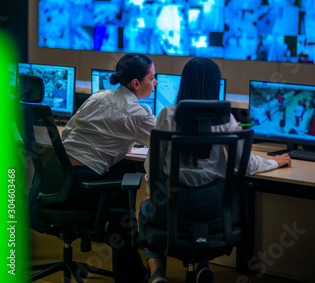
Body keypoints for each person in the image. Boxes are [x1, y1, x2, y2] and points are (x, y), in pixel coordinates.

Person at [139, 57, 291, 283]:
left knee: (144, 209)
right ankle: (201, 264)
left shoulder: (167, 115)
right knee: (202, 220)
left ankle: (157, 272)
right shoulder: (225, 119)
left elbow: (153, 165)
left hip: (172, 205)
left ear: (185, 82)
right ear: (214, 84)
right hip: (213, 209)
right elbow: (247, 165)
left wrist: (153, 191)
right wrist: (276, 161)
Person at [61, 52, 158, 283]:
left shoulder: (98, 96)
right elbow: (165, 142)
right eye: (152, 78)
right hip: (82, 187)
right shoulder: (138, 114)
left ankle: (131, 271)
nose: (155, 83)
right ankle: (130, 274)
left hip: (58, 178)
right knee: (122, 203)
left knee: (124, 170)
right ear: (136, 83)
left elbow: (66, 133)